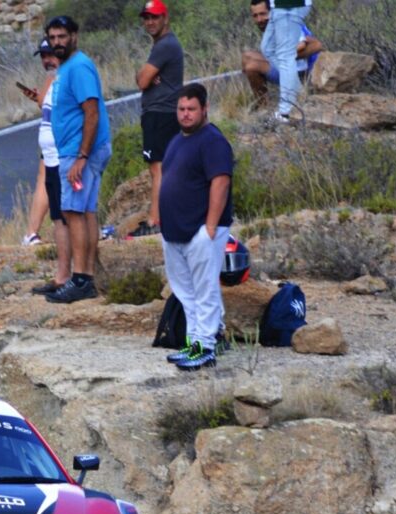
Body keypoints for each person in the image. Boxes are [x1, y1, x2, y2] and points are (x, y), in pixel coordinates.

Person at [159, 83, 233, 371]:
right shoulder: (177, 141)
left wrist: (210, 227)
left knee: (205, 290)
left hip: (201, 231)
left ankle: (206, 346)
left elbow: (221, 181)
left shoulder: (212, 141)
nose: (186, 114)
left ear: (205, 109)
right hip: (175, 232)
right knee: (185, 292)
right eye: (181, 109)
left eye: (191, 109)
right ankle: (193, 342)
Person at [43, 15, 112, 304]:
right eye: (52, 37)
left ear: (74, 36)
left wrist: (82, 156)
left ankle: (81, 279)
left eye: (62, 36)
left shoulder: (79, 66)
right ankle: (86, 277)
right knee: (85, 211)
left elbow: (91, 111)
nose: (57, 42)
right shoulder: (67, 66)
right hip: (76, 149)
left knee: (73, 212)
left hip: (79, 151)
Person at [19, 38, 74, 296]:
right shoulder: (53, 76)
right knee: (45, 183)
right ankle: (32, 233)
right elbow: (46, 103)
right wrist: (37, 98)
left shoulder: (64, 75)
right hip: (51, 142)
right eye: (42, 56)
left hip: (61, 143)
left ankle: (33, 233)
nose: (45, 60)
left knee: (55, 191)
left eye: (49, 55)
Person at [130, 0, 183, 238]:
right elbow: (143, 78)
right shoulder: (162, 46)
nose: (150, 22)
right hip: (163, 113)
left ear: (165, 18)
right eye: (147, 18)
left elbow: (142, 81)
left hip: (160, 113)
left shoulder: (165, 46)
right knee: (164, 166)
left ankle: (156, 220)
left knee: (157, 167)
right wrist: (147, 75)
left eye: (155, 17)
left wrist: (146, 75)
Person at [241, 0, 322, 109]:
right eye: (255, 15)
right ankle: (261, 101)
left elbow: (313, 45)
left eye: (263, 14)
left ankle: (263, 106)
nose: (259, 19)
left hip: (302, 72)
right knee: (247, 57)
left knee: (252, 66)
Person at [258, 0, 314, 122]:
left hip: (288, 5)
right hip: (278, 7)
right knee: (268, 48)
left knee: (285, 55)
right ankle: (299, 93)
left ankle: (286, 111)